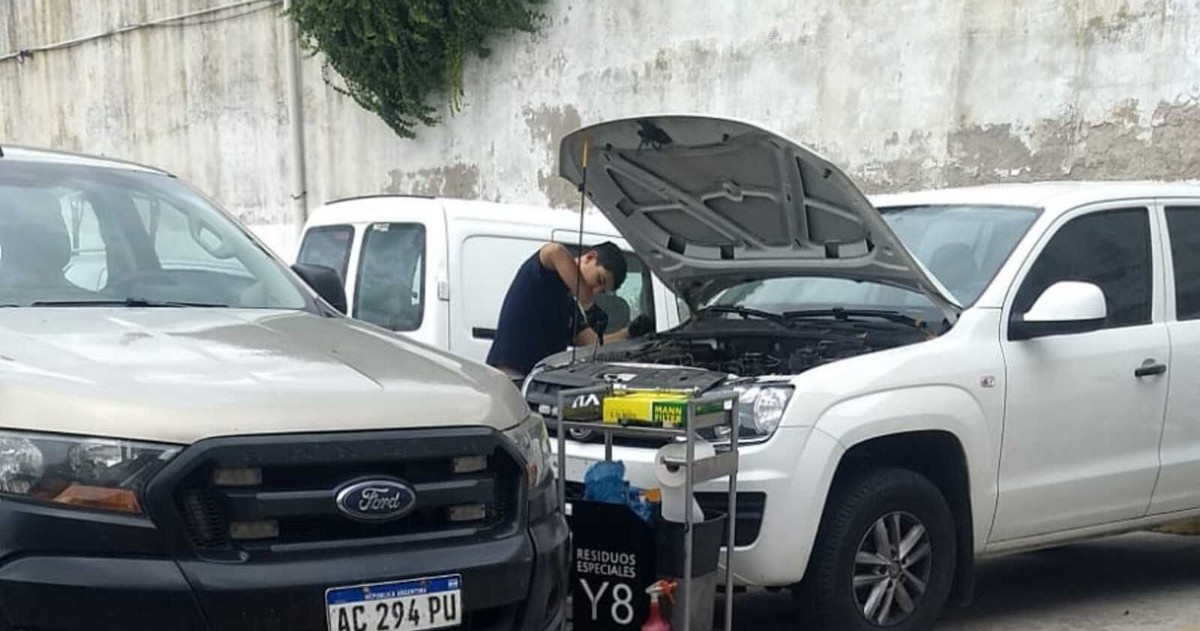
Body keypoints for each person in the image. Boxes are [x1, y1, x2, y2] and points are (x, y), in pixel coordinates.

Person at [486, 241, 652, 380]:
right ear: (590, 257)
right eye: (599, 280)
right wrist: (588, 302)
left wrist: (629, 332)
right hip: (508, 375)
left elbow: (591, 342)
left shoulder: (569, 306)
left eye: (601, 291)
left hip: (536, 381)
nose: (595, 290)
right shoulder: (545, 274)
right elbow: (554, 251)